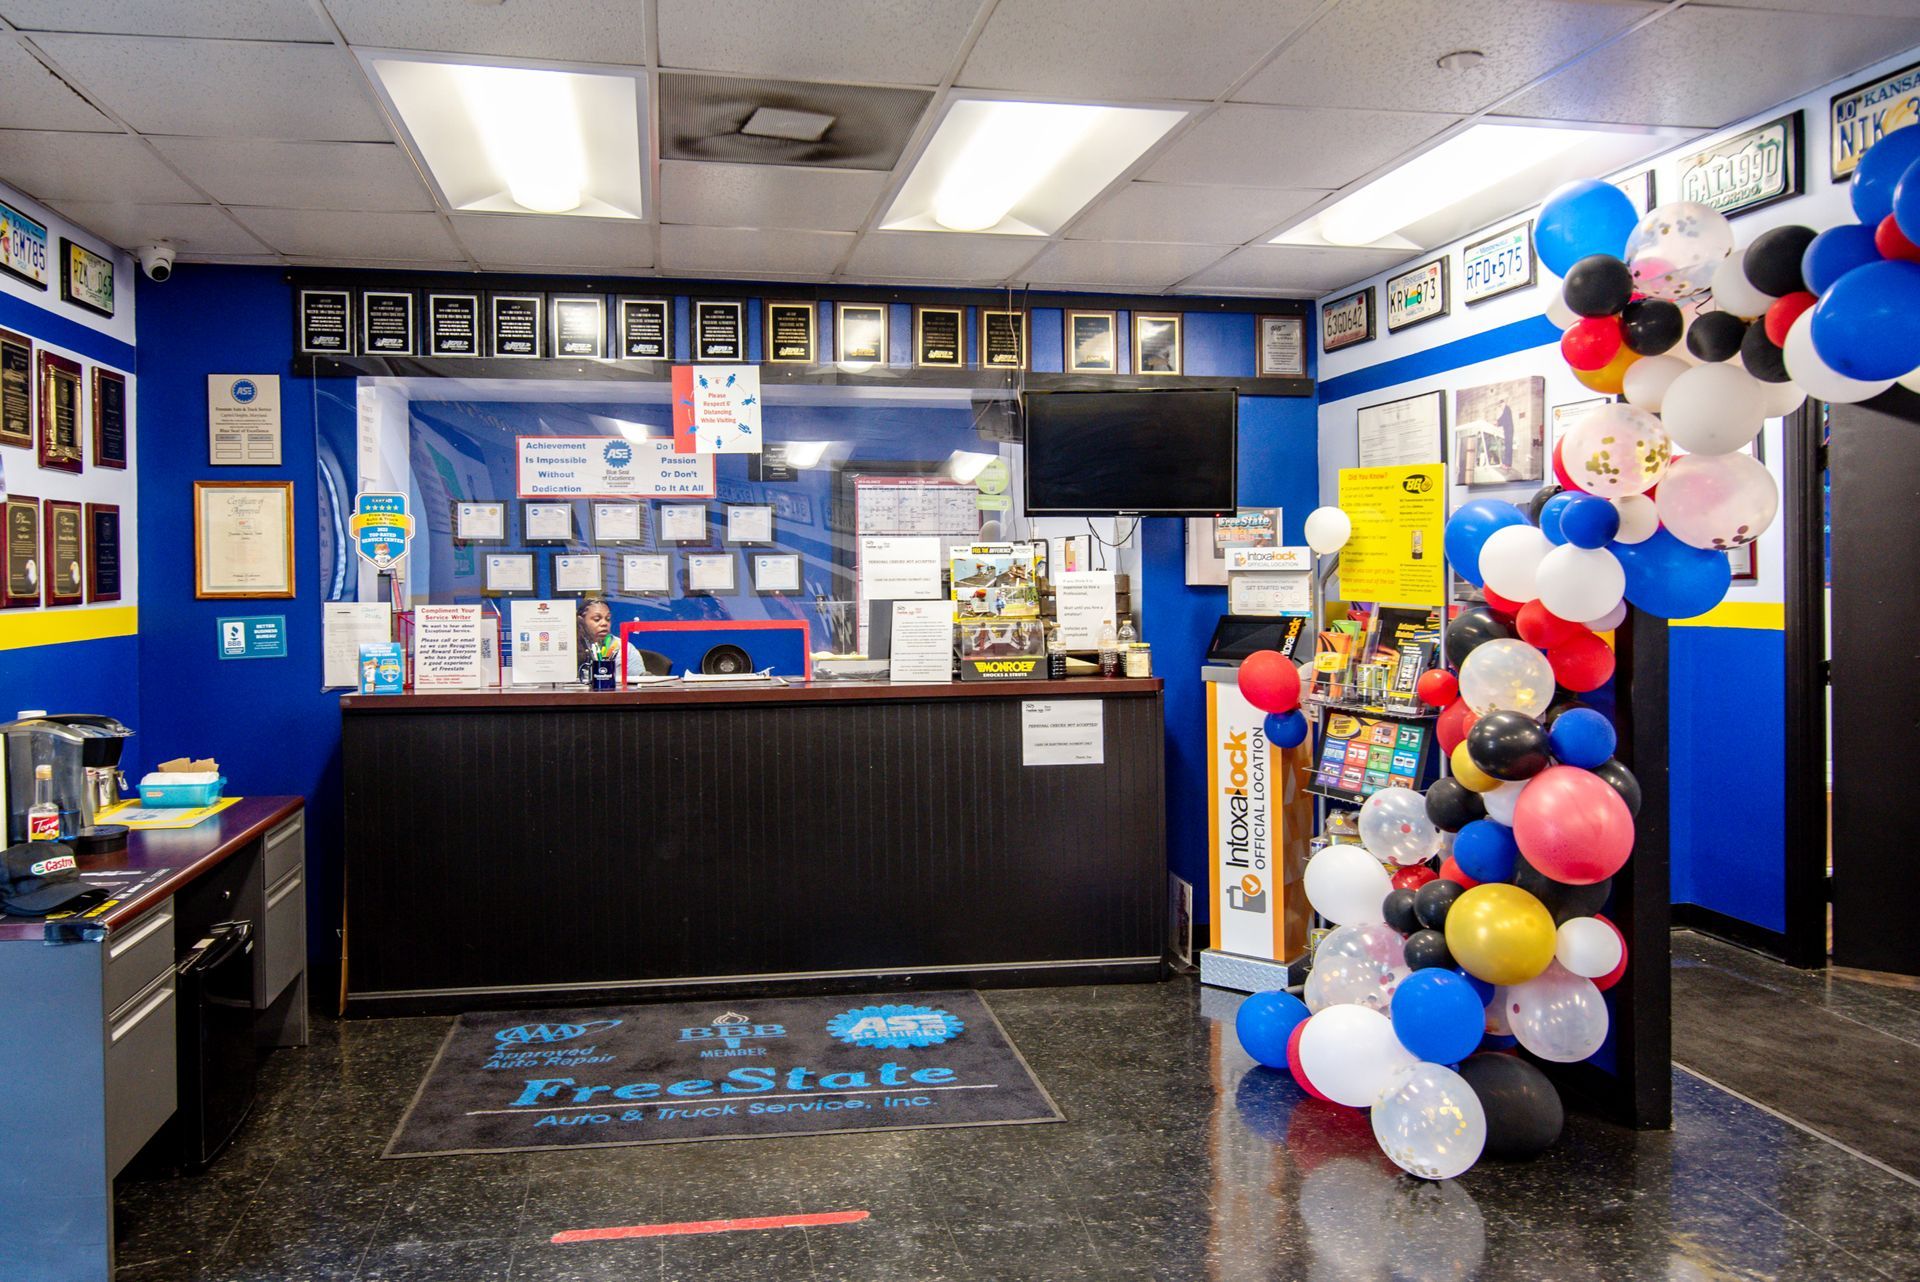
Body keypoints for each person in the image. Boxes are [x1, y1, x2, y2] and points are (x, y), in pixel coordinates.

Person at [576, 598, 671, 680]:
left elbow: (641, 682)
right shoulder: (571, 649)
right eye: (597, 619)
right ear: (581, 621)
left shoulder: (625, 648)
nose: (604, 623)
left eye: (608, 619)